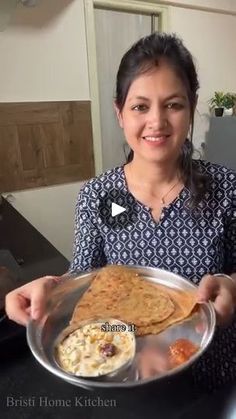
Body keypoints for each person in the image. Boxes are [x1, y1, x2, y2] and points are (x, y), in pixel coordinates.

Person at [6, 32, 236, 391]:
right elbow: (84, 278)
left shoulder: (226, 190)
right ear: (120, 113)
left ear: (191, 107)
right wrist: (51, 289)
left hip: (214, 375)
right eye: (140, 106)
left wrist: (232, 285)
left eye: (173, 105)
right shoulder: (98, 196)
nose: (156, 122)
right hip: (124, 373)